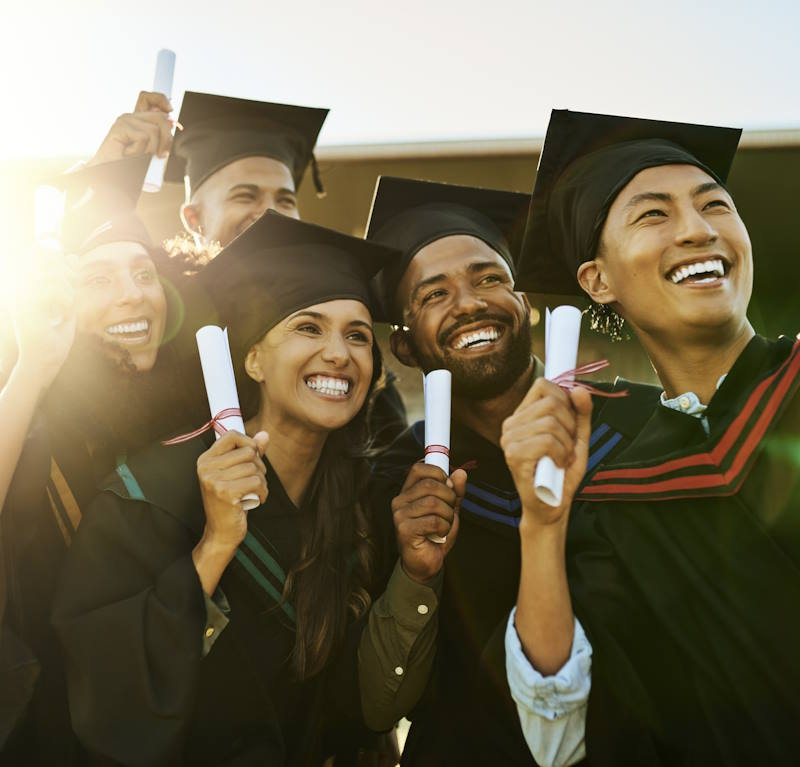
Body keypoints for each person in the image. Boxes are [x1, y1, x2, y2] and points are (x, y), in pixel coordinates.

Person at [52, 211, 467, 766]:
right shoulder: (148, 491)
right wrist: (215, 544)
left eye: (359, 336)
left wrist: (417, 577)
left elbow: (364, 710)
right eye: (308, 327)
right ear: (252, 359)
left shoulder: (363, 505)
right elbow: (109, 703)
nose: (339, 353)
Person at [505, 109, 800, 766]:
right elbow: (563, 739)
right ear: (597, 281)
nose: (698, 230)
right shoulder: (615, 503)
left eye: (715, 205)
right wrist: (542, 524)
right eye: (653, 215)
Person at [364, 177, 658, 766]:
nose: (469, 303)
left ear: (525, 305)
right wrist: (414, 573)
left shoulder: (645, 423)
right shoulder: (396, 480)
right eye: (433, 295)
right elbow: (380, 701)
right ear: (403, 347)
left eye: (489, 278)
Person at [0, 155, 192, 763]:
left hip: (169, 718)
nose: (133, 296)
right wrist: (34, 369)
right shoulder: (33, 416)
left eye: (144, 273)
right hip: (44, 723)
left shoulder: (191, 421)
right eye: (98, 280)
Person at [93, 90, 408, 448]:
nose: (270, 212)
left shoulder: (339, 344)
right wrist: (104, 178)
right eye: (245, 196)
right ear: (193, 218)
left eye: (285, 200)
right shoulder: (159, 319)